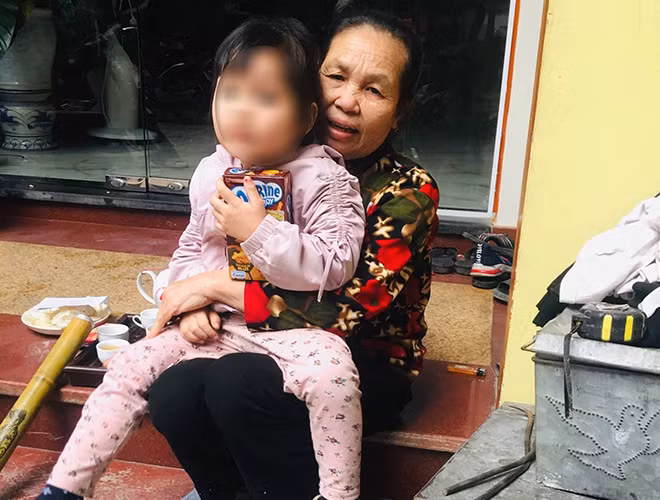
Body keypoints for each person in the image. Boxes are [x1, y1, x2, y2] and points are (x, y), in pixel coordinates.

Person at [38, 18, 368, 500]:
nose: (242, 110)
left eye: (265, 98)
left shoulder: (324, 178)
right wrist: (191, 303)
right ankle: (65, 488)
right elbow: (192, 247)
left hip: (292, 331)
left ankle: (339, 494)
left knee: (334, 373)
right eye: (230, 93)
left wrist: (258, 230)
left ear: (305, 117)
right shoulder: (212, 171)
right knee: (129, 367)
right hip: (213, 326)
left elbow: (334, 265)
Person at [147, 9, 440, 500]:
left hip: (360, 359)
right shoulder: (258, 159)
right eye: (336, 77)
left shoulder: (406, 192)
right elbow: (202, 247)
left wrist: (214, 289)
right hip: (250, 337)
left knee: (237, 383)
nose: (346, 101)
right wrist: (191, 301)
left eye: (374, 90)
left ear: (400, 110)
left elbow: (348, 310)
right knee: (174, 390)